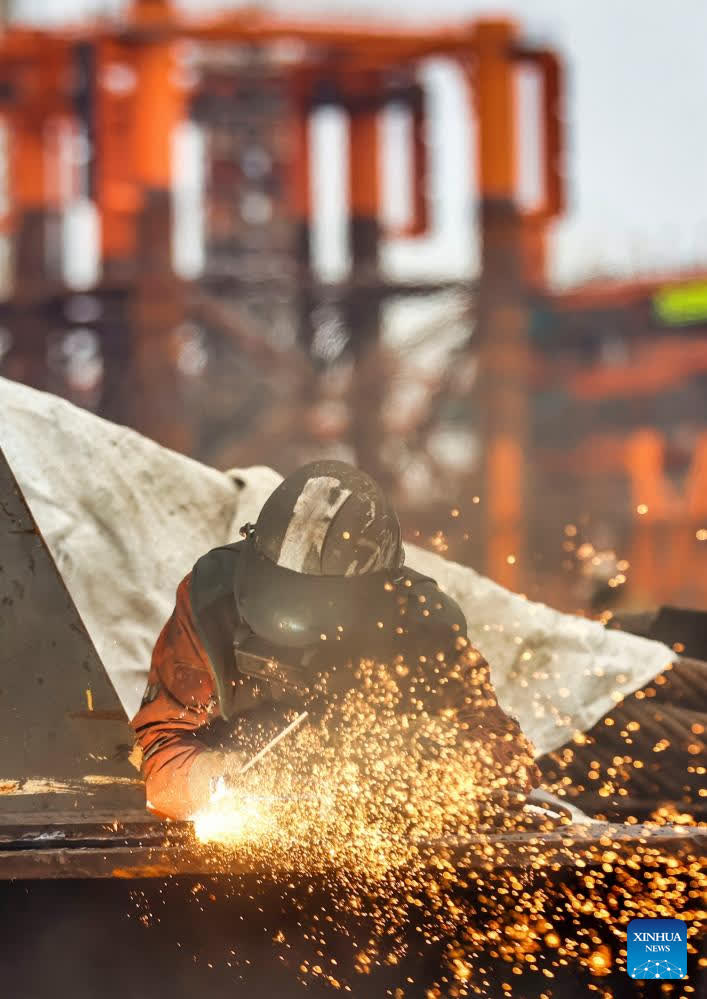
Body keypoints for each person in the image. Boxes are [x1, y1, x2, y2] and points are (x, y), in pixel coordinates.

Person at [132, 460, 539, 821]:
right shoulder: (212, 601)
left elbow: (497, 751)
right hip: (245, 803)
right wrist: (209, 781)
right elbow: (159, 740)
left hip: (375, 827)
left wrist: (445, 770)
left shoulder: (421, 625)